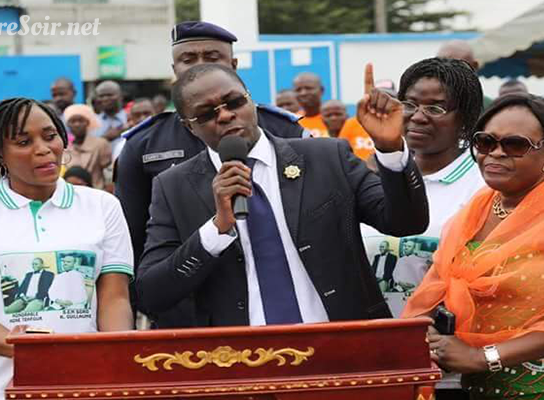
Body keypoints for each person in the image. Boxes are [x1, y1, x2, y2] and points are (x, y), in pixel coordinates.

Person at [135, 62, 429, 327]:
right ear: (189, 127)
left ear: (252, 101)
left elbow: (406, 223)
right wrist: (216, 230)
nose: (225, 116)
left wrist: (390, 149)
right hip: (240, 363)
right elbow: (152, 294)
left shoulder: (327, 157)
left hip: (343, 348)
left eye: (234, 102)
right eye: (206, 113)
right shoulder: (173, 187)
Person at [0, 97, 134, 400]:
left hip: (89, 384)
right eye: (24, 141)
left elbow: (115, 300)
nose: (43, 149)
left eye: (50, 135)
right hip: (1, 388)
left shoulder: (103, 207)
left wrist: (112, 360)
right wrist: (35, 349)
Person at [114, 21, 305, 328]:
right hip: (186, 313)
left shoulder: (283, 130)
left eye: (212, 57)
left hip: (280, 301)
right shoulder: (143, 144)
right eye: (188, 60)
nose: (198, 66)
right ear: (173, 68)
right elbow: (130, 238)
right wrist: (151, 305)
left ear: (234, 65)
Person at [403, 94, 544, 399]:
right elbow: (436, 287)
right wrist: (422, 333)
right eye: (485, 142)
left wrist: (483, 357)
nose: (495, 154)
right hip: (480, 388)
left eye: (515, 145)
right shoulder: (478, 208)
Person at [360, 57, 486, 397]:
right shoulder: (369, 179)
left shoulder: (482, 187)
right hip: (371, 366)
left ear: (465, 120)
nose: (417, 116)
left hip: (450, 376)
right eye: (410, 104)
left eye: (436, 108)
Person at [63, 104, 111, 190]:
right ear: (68, 125)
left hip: (97, 191)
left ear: (88, 122)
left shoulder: (100, 144)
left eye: (81, 120)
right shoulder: (65, 148)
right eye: (72, 121)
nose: (77, 124)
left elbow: (108, 173)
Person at [436, 40, 493, 109]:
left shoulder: (490, 108)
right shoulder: (423, 105)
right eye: (440, 64)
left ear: (474, 67)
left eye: (457, 66)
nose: (447, 71)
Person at [93, 80, 127, 159]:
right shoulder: (92, 122)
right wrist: (105, 138)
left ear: (120, 96)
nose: (105, 99)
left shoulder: (129, 118)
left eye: (109, 95)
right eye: (101, 96)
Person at [294, 72, 328, 137]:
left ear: (321, 90)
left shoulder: (334, 118)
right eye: (298, 90)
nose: (303, 93)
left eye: (308, 88)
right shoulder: (293, 121)